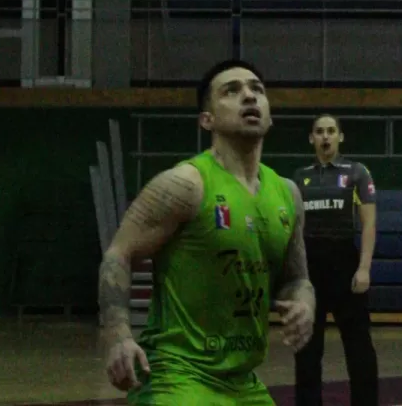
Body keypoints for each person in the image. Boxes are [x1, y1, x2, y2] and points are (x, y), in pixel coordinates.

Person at [98, 59, 316, 405]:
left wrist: (305, 302)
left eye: (256, 90)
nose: (249, 96)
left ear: (270, 115)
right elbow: (118, 254)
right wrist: (118, 336)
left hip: (243, 380)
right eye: (232, 91)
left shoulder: (288, 194)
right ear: (207, 119)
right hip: (176, 374)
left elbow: (296, 278)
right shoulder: (184, 184)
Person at [291, 114, 380, 406]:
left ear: (340, 136)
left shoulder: (357, 172)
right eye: (319, 132)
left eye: (331, 131)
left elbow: (368, 224)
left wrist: (364, 268)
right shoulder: (297, 178)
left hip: (345, 263)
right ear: (311, 138)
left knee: (359, 347)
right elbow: (292, 230)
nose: (325, 137)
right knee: (307, 348)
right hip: (310, 268)